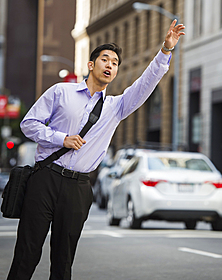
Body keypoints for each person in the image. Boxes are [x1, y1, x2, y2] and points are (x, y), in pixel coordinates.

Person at [7, 20, 185, 280]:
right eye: (105, 59)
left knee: (63, 260)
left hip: (78, 187)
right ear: (91, 65)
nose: (110, 65)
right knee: (27, 252)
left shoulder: (116, 107)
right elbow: (28, 124)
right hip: (44, 178)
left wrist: (165, 51)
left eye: (115, 62)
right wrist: (61, 139)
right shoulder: (61, 91)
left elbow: (145, 84)